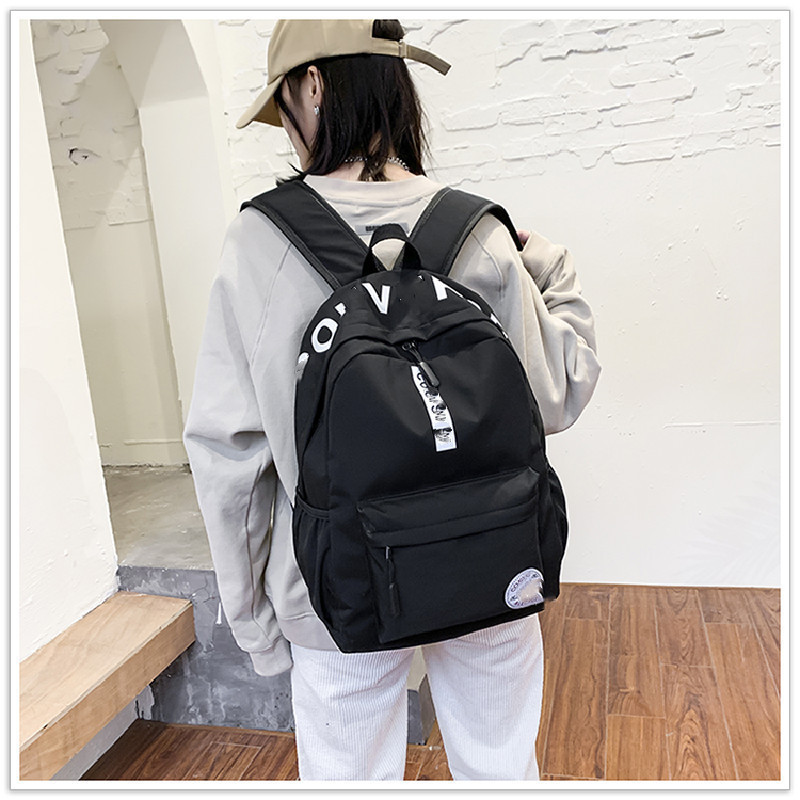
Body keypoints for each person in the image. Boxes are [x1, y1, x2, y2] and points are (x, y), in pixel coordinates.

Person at [184, 18, 601, 781]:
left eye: (283, 109)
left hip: (334, 584)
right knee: (502, 769)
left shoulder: (258, 242)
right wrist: (550, 262)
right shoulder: (477, 230)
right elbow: (558, 395)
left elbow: (229, 456)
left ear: (312, 85)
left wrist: (255, 621)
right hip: (491, 556)